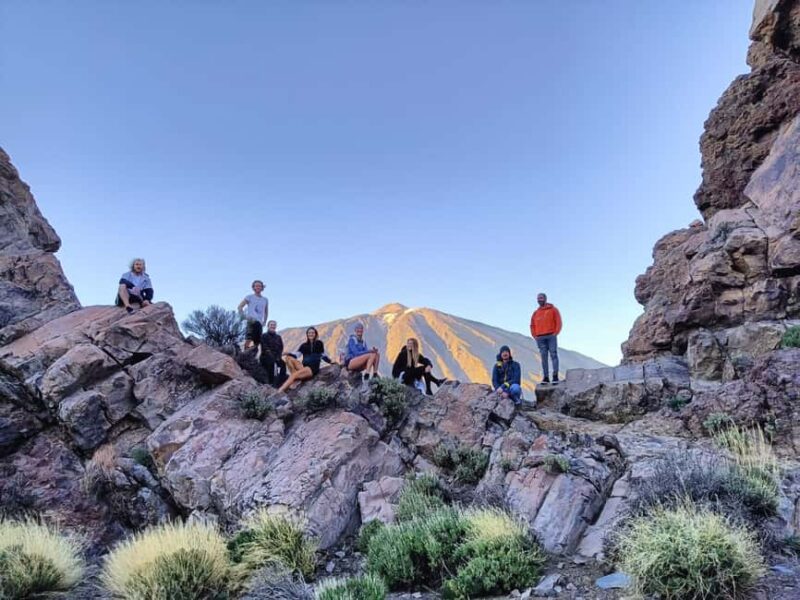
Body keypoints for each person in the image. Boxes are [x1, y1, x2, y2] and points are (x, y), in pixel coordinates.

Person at [278, 327, 331, 393]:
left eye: (312, 333)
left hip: (312, 369)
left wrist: (331, 362)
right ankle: (297, 379)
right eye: (309, 333)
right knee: (288, 358)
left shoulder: (319, 343)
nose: (311, 334)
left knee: (293, 375)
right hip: (304, 367)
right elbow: (296, 355)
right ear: (307, 334)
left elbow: (323, 355)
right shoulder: (304, 345)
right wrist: (287, 353)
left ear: (315, 334)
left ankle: (280, 391)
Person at [530, 293, 562, 385]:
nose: (539, 300)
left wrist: (555, 333)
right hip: (540, 337)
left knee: (553, 354)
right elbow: (532, 325)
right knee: (544, 357)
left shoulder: (553, 310)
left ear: (545, 299)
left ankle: (555, 376)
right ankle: (546, 377)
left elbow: (558, 321)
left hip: (551, 335)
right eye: (538, 298)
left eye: (541, 298)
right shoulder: (535, 313)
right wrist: (535, 335)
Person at [238, 280, 268, 350]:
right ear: (253, 287)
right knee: (249, 339)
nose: (258, 287)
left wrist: (265, 321)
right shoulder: (249, 297)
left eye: (259, 286)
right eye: (256, 286)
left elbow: (266, 311)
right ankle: (244, 354)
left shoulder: (265, 299)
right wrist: (244, 317)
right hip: (251, 321)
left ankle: (252, 356)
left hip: (259, 322)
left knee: (257, 342)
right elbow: (240, 307)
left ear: (262, 287)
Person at [259, 320, 286, 387]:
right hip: (265, 356)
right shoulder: (263, 336)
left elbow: (281, 347)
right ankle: (270, 383)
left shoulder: (278, 337)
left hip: (276, 356)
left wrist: (278, 356)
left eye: (274, 325)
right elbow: (264, 347)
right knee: (271, 363)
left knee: (283, 364)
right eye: (271, 325)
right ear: (268, 326)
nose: (273, 326)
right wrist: (272, 356)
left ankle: (280, 382)